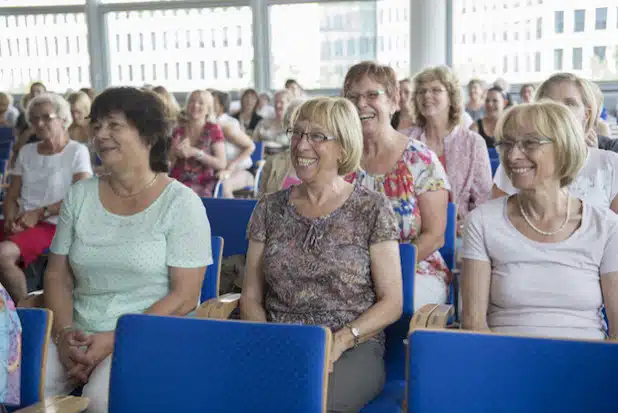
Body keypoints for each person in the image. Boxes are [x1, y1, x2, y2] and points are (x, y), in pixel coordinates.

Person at [43, 87, 212, 413]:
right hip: (78, 335)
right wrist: (64, 335)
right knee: (16, 379)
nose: (100, 135)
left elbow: (185, 297)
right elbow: (56, 275)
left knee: (101, 399)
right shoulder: (80, 195)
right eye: (96, 126)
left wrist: (115, 337)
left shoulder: (181, 203)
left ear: (147, 135)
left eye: (113, 125)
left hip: (148, 334)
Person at [241, 97, 403, 413]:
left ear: (343, 147)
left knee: (310, 403)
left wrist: (342, 339)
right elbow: (250, 295)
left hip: (351, 345)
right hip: (280, 339)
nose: (301, 145)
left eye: (317, 136)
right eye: (297, 133)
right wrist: (271, 341)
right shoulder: (269, 208)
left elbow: (392, 302)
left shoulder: (372, 209)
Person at [461, 101, 618, 340]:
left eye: (530, 143)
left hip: (586, 366)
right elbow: (474, 324)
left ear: (564, 148)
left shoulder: (605, 226)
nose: (513, 155)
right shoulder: (482, 222)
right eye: (507, 144)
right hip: (505, 361)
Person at [342, 61, 451, 309]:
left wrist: (384, 270)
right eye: (353, 97)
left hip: (413, 270)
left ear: (393, 101)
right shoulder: (338, 160)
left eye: (372, 95)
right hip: (347, 275)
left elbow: (434, 236)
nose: (361, 104)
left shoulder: (420, 160)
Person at [0, 93, 92, 303]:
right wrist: (11, 219)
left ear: (63, 119)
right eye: (34, 119)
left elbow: (80, 195)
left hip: (54, 224)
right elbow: (12, 196)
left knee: (3, 255)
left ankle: (27, 313)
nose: (39, 123)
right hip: (23, 222)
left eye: (46, 117)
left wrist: (40, 213)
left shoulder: (77, 152)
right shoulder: (27, 151)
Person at [492, 73, 618, 214]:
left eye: (569, 103)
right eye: (550, 103)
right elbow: (497, 223)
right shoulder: (517, 163)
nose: (559, 110)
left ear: (586, 114)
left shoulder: (610, 164)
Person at [406, 66, 492, 222]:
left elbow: (483, 201)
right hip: (414, 230)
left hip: (459, 233)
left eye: (436, 90)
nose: (427, 95)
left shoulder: (473, 143)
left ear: (452, 98)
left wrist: (466, 223)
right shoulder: (406, 140)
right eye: (421, 91)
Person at [170, 90, 227, 197]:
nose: (195, 105)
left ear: (208, 109)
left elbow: (221, 163)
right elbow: (168, 161)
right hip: (177, 182)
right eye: (192, 101)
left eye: (201, 103)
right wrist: (175, 151)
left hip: (202, 183)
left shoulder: (213, 129)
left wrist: (196, 153)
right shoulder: (178, 130)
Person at [211, 90, 255, 198]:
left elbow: (250, 146)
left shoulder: (228, 124)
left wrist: (232, 165)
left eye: (212, 101)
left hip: (241, 170)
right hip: (216, 172)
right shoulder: (205, 124)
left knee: (223, 186)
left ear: (221, 106)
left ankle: (229, 215)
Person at [258, 99, 305, 194]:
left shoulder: (324, 163)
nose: (300, 136)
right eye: (294, 130)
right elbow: (261, 202)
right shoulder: (272, 162)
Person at [253, 90, 294, 155]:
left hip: (284, 160)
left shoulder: (293, 126)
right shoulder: (263, 123)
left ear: (289, 104)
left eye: (281, 102)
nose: (277, 105)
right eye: (276, 102)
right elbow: (254, 143)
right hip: (263, 160)